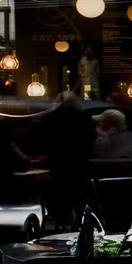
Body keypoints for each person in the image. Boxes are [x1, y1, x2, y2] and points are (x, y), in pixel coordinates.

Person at [39, 92, 96, 230]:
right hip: (78, 162)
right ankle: (78, 221)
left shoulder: (50, 118)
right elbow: (90, 140)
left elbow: (43, 139)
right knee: (78, 193)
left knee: (59, 192)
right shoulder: (83, 118)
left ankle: (61, 220)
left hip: (58, 162)